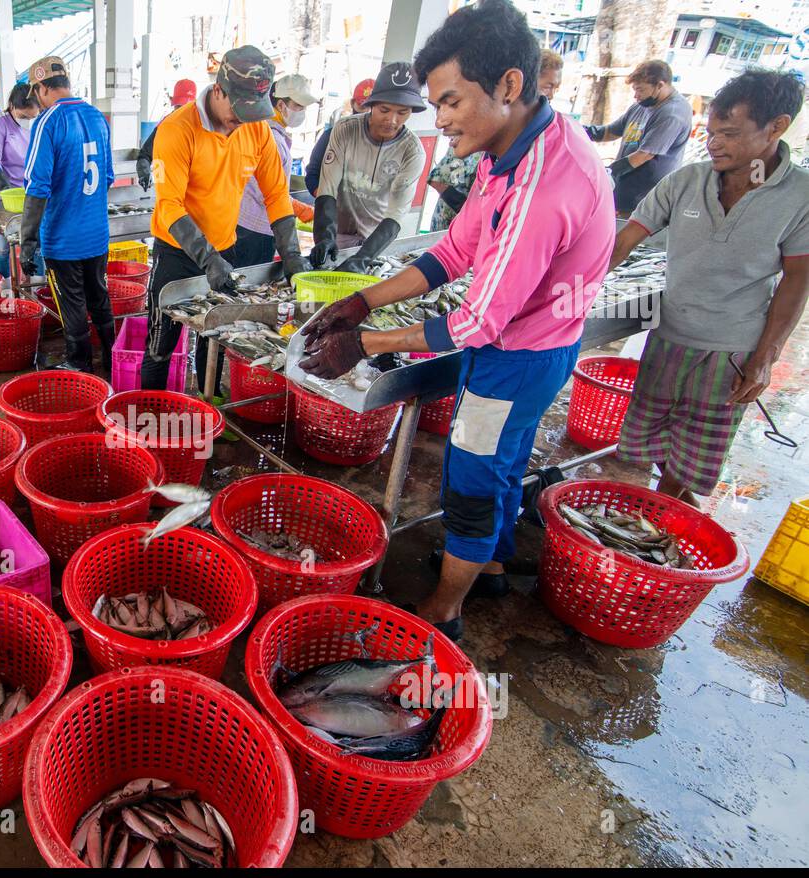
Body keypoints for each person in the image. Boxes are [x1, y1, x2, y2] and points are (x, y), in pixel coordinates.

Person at [300, 0, 615, 639]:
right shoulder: (510, 150)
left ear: (508, 84)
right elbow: (453, 250)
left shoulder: (541, 185)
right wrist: (365, 299)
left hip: (518, 358)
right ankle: (492, 564)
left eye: (449, 102)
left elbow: (475, 325)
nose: (439, 121)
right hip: (529, 344)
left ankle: (444, 610)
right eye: (435, 105)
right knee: (501, 461)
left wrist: (364, 342)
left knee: (472, 477)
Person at [609, 69, 809, 505]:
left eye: (731, 134)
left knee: (691, 461)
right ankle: (663, 507)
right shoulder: (686, 180)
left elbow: (797, 280)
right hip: (668, 338)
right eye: (712, 132)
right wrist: (561, 290)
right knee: (649, 446)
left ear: (777, 126)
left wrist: (765, 358)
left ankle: (664, 513)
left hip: (731, 352)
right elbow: (623, 241)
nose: (714, 143)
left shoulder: (801, 196)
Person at [142, 46, 309, 391]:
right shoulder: (177, 129)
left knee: (215, 338)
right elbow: (170, 205)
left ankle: (209, 408)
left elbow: (276, 195)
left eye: (253, 112)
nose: (244, 121)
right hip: (177, 254)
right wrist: (207, 258)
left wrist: (291, 255)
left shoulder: (257, 129)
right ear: (218, 89)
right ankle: (150, 418)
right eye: (239, 109)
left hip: (225, 249)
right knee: (160, 345)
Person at [20, 56, 116, 376]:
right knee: (98, 295)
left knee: (72, 301)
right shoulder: (97, 117)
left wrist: (27, 240)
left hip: (63, 238)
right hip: (97, 234)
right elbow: (109, 178)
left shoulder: (48, 121)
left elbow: (37, 187)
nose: (38, 99)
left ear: (43, 87)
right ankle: (112, 359)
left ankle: (80, 364)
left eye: (37, 92)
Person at [309, 62, 427, 274]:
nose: (391, 120)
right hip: (338, 231)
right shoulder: (345, 130)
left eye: (403, 112)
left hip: (375, 241)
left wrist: (363, 258)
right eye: (384, 110)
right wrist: (325, 237)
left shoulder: (412, 151)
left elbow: (396, 213)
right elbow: (327, 187)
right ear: (371, 105)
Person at [584, 59, 693, 216]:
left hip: (644, 198)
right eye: (635, 90)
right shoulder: (641, 106)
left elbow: (644, 155)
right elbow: (609, 132)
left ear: (660, 85)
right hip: (623, 191)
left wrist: (607, 172)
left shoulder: (672, 113)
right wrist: (578, 130)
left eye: (640, 90)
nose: (636, 95)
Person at [233, 74, 319, 266]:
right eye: (298, 106)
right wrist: (302, 209)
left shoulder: (264, 132)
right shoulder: (271, 140)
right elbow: (268, 191)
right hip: (256, 229)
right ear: (280, 105)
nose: (302, 112)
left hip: (246, 223)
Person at [0, 82, 40, 278]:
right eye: (23, 117)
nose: (28, 121)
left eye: (32, 117)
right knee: (1, 247)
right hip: (2, 194)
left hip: (30, 192)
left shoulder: (39, 123)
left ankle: (38, 286)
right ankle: (3, 286)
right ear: (12, 107)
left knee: (36, 243)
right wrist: (6, 189)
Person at [306, 78, 375, 195]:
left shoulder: (386, 146)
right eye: (363, 107)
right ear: (353, 103)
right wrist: (325, 202)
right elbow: (312, 174)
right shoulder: (332, 135)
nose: (366, 115)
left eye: (372, 108)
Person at [136, 80, 199, 191]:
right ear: (174, 105)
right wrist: (144, 174)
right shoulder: (164, 125)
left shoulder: (202, 127)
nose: (181, 111)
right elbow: (145, 155)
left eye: (185, 107)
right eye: (179, 107)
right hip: (166, 189)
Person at [426, 148, 480, 231]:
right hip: (448, 222)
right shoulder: (469, 145)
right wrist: (465, 208)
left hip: (471, 226)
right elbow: (436, 180)